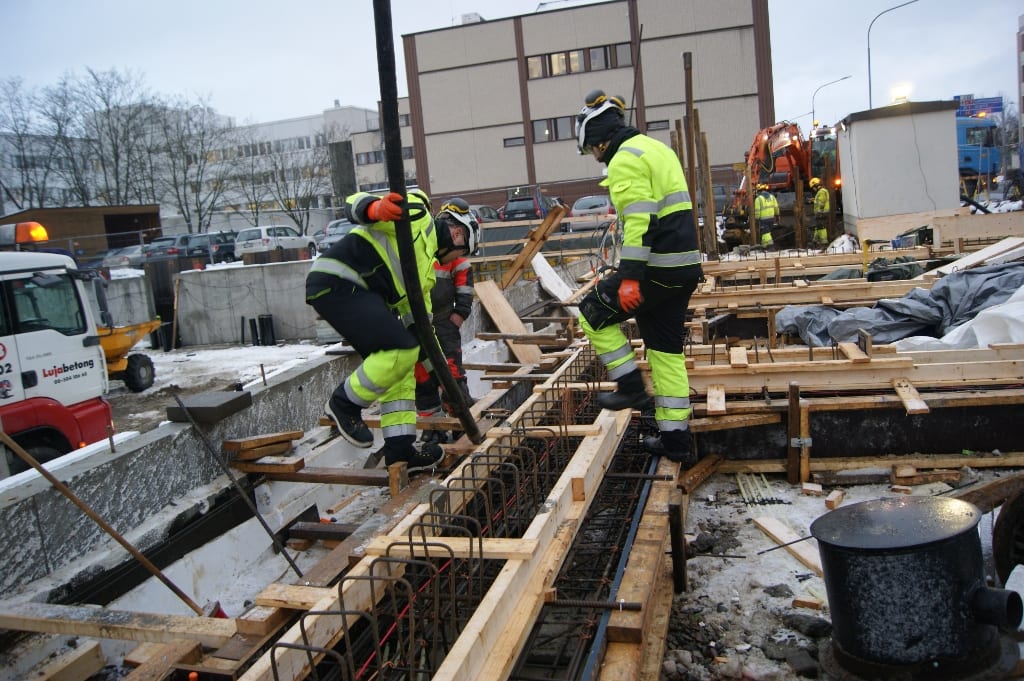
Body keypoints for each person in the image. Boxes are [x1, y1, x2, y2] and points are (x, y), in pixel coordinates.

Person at [572, 89, 703, 465]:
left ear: (599, 140)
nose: (594, 156)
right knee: (665, 352)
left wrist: (629, 278)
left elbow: (640, 221)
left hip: (655, 269)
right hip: (681, 269)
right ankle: (675, 440)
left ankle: (630, 386)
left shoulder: (624, 160)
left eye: (591, 149)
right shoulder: (655, 149)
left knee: (592, 313)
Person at [305, 190, 475, 473]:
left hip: (362, 292)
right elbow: (353, 201)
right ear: (458, 234)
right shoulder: (419, 216)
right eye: (461, 252)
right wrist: (374, 209)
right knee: (400, 350)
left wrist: (444, 379)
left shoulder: (425, 272)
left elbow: (423, 331)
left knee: (403, 367)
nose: (453, 260)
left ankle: (401, 451)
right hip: (339, 278)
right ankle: (344, 404)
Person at [415, 198, 479, 444]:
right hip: (418, 323)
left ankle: (461, 421)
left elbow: (465, 292)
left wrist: (456, 319)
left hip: (443, 323)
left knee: (452, 374)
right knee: (422, 377)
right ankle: (433, 428)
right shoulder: (424, 249)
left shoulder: (457, 257)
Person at [753, 183, 778, 248]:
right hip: (771, 219)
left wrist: (756, 219)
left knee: (765, 233)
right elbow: (776, 207)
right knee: (768, 232)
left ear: (759, 191)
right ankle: (764, 246)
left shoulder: (758, 199)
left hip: (763, 220)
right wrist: (777, 215)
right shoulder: (772, 197)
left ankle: (770, 245)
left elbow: (757, 211)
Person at [810, 177, 830, 246]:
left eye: (813, 187)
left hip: (822, 213)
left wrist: (814, 201)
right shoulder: (821, 191)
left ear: (815, 185)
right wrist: (814, 200)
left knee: (821, 227)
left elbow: (821, 203)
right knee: (818, 227)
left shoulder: (821, 192)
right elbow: (820, 201)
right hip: (821, 213)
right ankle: (815, 241)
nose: (813, 189)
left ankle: (824, 242)